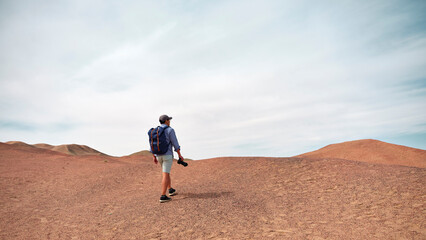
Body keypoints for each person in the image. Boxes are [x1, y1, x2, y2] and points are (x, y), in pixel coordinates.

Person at [153, 114, 184, 203]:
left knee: (166, 172)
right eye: (169, 120)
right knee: (165, 174)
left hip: (158, 155)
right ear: (166, 121)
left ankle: (170, 189)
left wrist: (154, 156)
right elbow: (175, 143)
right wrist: (180, 155)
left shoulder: (156, 130)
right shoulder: (170, 130)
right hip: (167, 155)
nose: (169, 121)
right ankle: (163, 196)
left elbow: (152, 144)